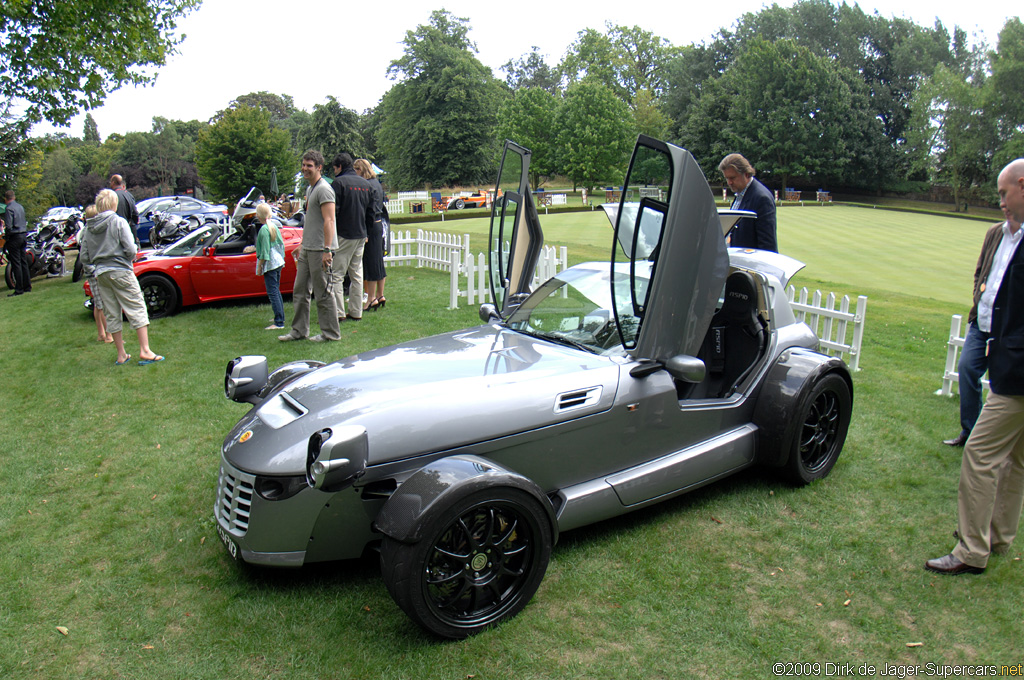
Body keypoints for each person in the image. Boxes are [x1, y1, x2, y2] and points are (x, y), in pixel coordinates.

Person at [926, 158, 1024, 575]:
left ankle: (971, 551)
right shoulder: (1006, 236)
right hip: (1005, 354)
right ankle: (997, 537)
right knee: (1016, 458)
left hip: (1017, 373)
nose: (999, 201)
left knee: (980, 453)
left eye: (1003, 193)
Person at [943, 208, 1021, 447]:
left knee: (1004, 385)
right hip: (980, 321)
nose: (1002, 203)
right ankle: (969, 431)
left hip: (1007, 330)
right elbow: (980, 271)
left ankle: (990, 437)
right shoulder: (995, 232)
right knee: (967, 368)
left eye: (1005, 195)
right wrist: (979, 295)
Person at [79, 189, 163, 366]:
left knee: (111, 312)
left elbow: (84, 257)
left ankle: (121, 354)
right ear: (113, 204)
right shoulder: (118, 222)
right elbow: (131, 250)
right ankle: (145, 350)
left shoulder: (88, 228)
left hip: (101, 274)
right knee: (136, 306)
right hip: (121, 271)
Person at [279, 150, 340, 343]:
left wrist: (327, 250)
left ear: (319, 167)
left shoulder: (324, 189)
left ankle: (330, 334)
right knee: (300, 290)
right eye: (304, 165)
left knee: (323, 293)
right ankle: (298, 331)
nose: (305, 168)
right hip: (308, 248)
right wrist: (302, 244)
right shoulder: (310, 189)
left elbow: (329, 220)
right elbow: (311, 221)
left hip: (321, 250)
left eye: (309, 166)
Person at [329, 153, 373, 322]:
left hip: (344, 234)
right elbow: (370, 212)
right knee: (356, 274)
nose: (334, 172)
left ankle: (339, 313)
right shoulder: (365, 184)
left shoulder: (338, 183)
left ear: (339, 166)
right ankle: (356, 311)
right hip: (361, 234)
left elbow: (334, 212)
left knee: (337, 275)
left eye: (334, 168)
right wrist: (367, 233)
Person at [719, 153, 778, 252]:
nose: (729, 182)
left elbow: (768, 246)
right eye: (727, 178)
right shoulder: (740, 194)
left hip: (751, 264)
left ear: (746, 174)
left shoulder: (762, 198)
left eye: (732, 178)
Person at [355, 158, 387, 310]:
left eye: (356, 170)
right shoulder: (377, 184)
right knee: (379, 261)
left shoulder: (367, 185)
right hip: (379, 224)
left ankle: (371, 298)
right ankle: (380, 295)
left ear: (362, 170)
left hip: (371, 225)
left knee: (371, 263)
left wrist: (365, 232)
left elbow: (368, 211)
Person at [81, 204, 114, 343]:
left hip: (93, 270)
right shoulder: (89, 232)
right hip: (94, 271)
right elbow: (84, 255)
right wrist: (93, 269)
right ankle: (109, 335)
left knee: (98, 304)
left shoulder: (86, 231)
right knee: (102, 305)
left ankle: (101, 334)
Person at [255, 202, 286, 330]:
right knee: (276, 290)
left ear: (259, 216)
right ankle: (279, 316)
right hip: (278, 261)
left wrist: (259, 266)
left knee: (272, 292)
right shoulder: (273, 226)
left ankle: (279, 322)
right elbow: (280, 245)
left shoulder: (263, 230)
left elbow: (264, 252)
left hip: (271, 264)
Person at [3, 190, 30, 296]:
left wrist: (7, 236)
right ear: (14, 197)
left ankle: (19, 288)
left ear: (6, 199)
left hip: (15, 236)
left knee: (16, 263)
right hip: (23, 235)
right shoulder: (20, 207)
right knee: (23, 262)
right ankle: (27, 285)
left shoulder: (9, 209)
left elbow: (9, 227)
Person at [109, 174, 139, 246]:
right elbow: (135, 214)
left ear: (113, 182)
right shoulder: (128, 195)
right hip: (130, 230)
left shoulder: (112, 196)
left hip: (117, 232)